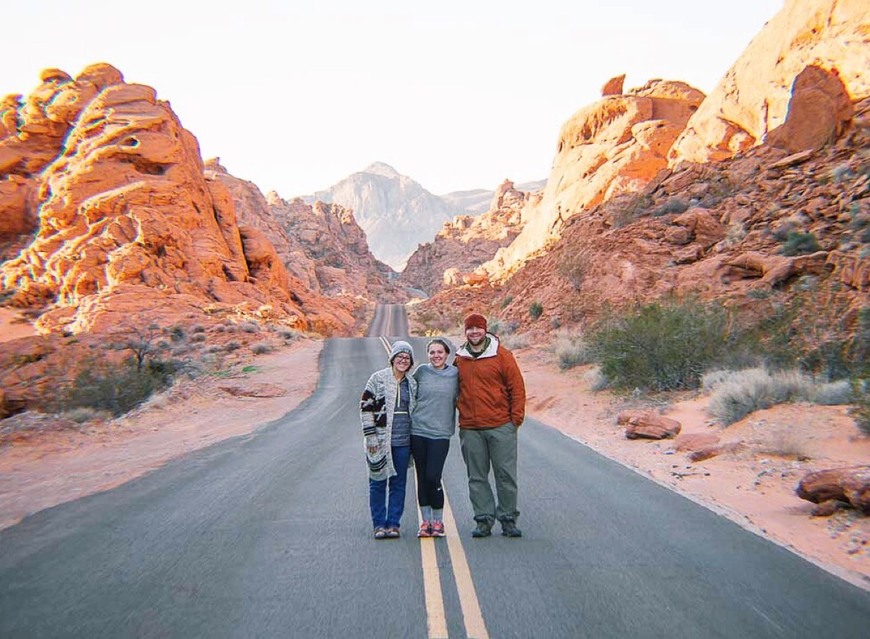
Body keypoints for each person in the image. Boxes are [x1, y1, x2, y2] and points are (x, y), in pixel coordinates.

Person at [455, 313, 526, 538]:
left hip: (500, 425)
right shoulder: (460, 358)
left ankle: (508, 519)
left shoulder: (502, 355)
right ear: (465, 332)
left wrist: (515, 420)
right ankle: (483, 520)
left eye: (478, 328)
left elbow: (517, 387)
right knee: (476, 476)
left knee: (505, 474)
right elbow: (453, 389)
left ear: (485, 330)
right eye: (470, 329)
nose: (474, 332)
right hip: (471, 428)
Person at [360, 340, 417, 540]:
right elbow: (366, 407)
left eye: (407, 358)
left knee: (398, 483)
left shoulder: (412, 383)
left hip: (403, 443)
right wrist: (371, 436)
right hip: (379, 441)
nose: (403, 360)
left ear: (410, 362)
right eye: (400, 356)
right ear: (392, 358)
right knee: (377, 481)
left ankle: (393, 523)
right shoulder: (377, 379)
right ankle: (378, 525)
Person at [411, 338, 459, 538]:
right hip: (418, 431)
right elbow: (407, 390)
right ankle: (426, 522)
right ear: (428, 354)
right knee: (421, 477)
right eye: (432, 352)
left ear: (447, 354)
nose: (436, 356)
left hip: (440, 433)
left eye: (440, 352)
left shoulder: (455, 374)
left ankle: (438, 521)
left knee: (433, 475)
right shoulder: (421, 372)